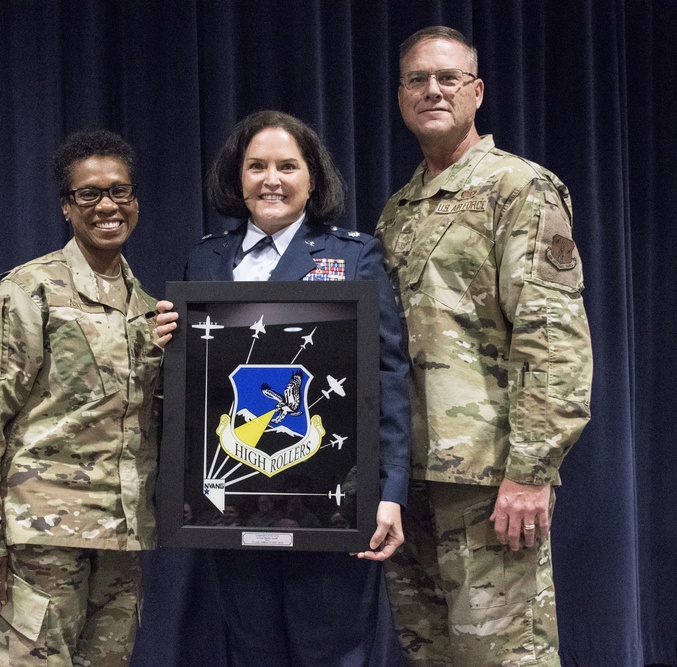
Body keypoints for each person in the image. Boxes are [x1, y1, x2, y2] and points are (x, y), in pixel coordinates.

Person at [156, 110, 411, 666]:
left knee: (335, 651)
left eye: (287, 166)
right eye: (257, 166)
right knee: (252, 651)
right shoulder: (205, 257)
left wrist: (389, 490)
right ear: (237, 177)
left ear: (313, 178)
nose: (271, 179)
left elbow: (387, 376)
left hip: (334, 500)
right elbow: (193, 385)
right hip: (231, 504)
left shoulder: (352, 255)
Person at [375, 27, 594, 666]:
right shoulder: (399, 210)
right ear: (400, 96)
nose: (432, 90)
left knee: (505, 656)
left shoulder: (519, 189)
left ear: (476, 91)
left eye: (447, 78)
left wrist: (530, 471)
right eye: (418, 79)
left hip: (489, 478)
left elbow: (553, 341)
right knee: (433, 654)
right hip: (411, 478)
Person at [0, 130, 164, 666]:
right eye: (89, 194)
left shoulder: (151, 311)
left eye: (120, 192)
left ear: (135, 201)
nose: (107, 205)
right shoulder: (27, 291)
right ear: (67, 206)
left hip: (121, 542)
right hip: (41, 544)